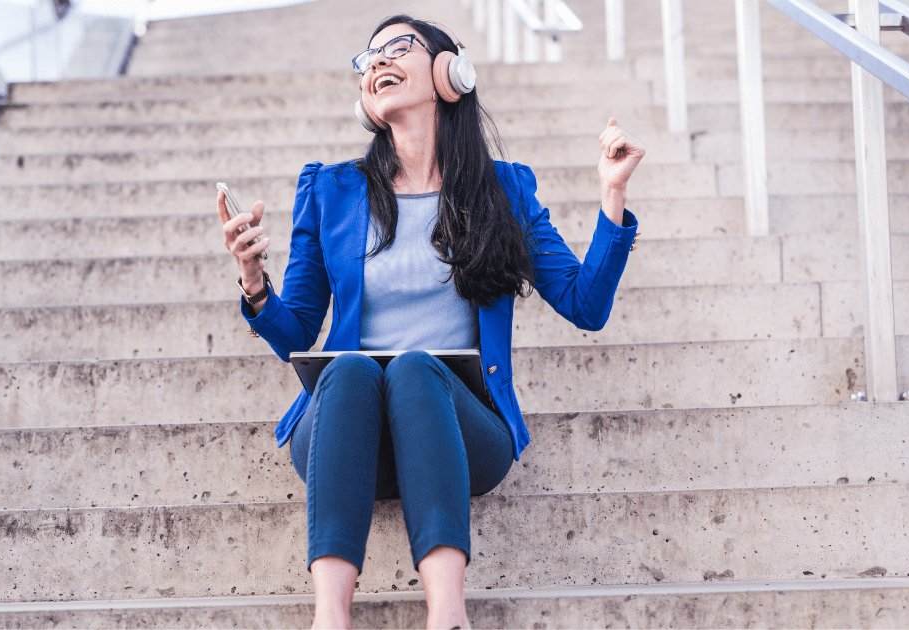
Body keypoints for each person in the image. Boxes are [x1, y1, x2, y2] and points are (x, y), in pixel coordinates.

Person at [217, 14, 644, 630]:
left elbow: (586, 305)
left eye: (397, 48)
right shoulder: (331, 190)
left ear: (450, 73)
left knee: (418, 368)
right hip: (344, 432)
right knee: (352, 370)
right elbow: (298, 332)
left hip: (462, 436)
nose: (378, 62)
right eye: (369, 56)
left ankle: (448, 617)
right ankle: (330, 619)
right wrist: (254, 281)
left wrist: (612, 197)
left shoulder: (505, 190)